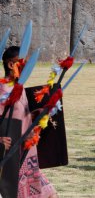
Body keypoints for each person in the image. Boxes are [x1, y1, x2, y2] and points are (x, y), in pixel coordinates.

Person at [0, 46, 57, 198]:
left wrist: (33, 116)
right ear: (11, 65)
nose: (27, 67)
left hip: (28, 154)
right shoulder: (2, 90)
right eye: (22, 62)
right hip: (12, 158)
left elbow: (17, 116)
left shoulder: (20, 87)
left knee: (51, 194)